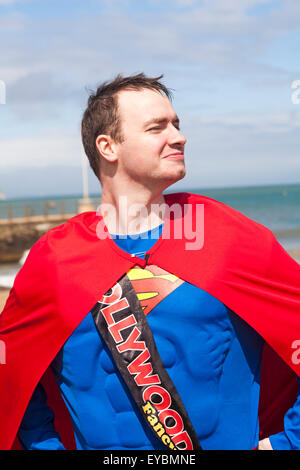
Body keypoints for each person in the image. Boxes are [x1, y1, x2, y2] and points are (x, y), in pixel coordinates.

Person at [0, 73, 299, 451]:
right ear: (108, 146)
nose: (178, 136)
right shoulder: (54, 260)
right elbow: (11, 371)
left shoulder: (228, 238)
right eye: (157, 127)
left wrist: (288, 441)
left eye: (176, 124)